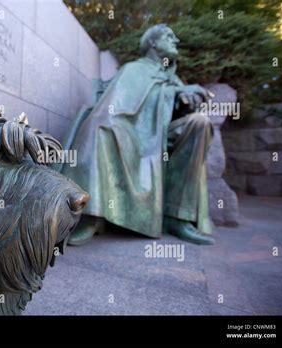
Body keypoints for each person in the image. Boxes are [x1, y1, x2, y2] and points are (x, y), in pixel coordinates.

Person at [61, 24, 215, 246]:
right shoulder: (133, 69)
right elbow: (113, 109)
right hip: (133, 133)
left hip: (164, 136)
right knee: (99, 127)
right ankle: (91, 215)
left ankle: (177, 216)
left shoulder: (173, 77)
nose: (176, 40)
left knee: (199, 122)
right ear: (152, 42)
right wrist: (175, 93)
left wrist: (185, 100)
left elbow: (181, 109)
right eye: (169, 36)